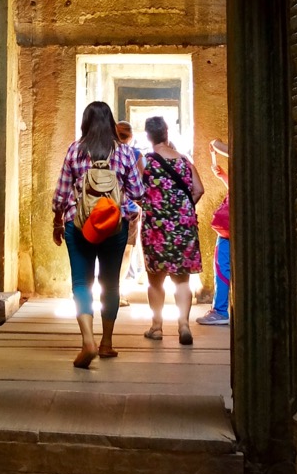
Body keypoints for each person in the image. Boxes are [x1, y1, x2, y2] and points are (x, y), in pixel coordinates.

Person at [52, 101, 145, 367]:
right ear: (111, 123)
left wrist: (58, 222)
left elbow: (61, 195)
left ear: (86, 122)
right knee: (111, 284)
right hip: (114, 225)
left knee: (81, 283)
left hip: (79, 224)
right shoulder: (125, 152)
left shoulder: (75, 150)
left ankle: (87, 341)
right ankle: (106, 343)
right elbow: (138, 193)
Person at [139, 115, 204, 346]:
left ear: (148, 136)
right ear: (167, 134)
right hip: (183, 226)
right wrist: (182, 209)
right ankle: (184, 325)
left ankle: (157, 327)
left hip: (155, 227)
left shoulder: (145, 161)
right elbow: (198, 189)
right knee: (182, 280)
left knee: (155, 280)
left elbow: (135, 191)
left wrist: (151, 206)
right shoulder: (184, 161)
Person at [198, 138, 231, 326]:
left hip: (229, 229)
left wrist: (215, 143)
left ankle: (220, 310)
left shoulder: (249, 150)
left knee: (222, 267)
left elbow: (223, 147)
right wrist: (224, 177)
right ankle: (219, 309)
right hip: (229, 230)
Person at [115, 121, 144, 304]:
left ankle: (109, 289)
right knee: (126, 251)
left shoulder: (105, 152)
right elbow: (142, 183)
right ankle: (117, 290)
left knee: (108, 251)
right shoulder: (136, 155)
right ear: (131, 137)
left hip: (107, 208)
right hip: (130, 210)